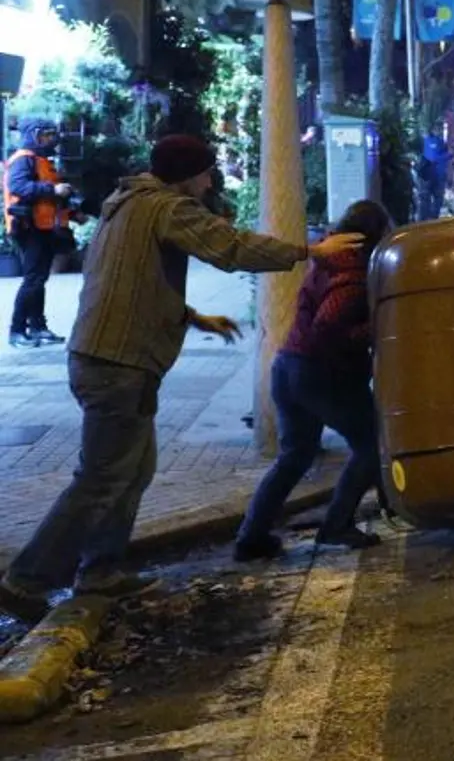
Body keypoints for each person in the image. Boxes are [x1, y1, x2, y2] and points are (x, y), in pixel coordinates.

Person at [0, 135, 363, 625]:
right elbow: (228, 245)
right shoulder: (166, 207)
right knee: (103, 479)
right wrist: (310, 249)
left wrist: (192, 317)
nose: (210, 181)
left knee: (132, 469)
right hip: (118, 364)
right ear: (187, 174)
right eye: (206, 173)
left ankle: (100, 571)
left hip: (111, 358)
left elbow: (132, 283)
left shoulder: (127, 204)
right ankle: (26, 580)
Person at [235, 200, 392, 560]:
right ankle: (337, 525)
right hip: (321, 373)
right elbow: (328, 325)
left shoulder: (326, 261)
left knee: (296, 455)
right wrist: (377, 328)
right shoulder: (352, 272)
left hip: (289, 366)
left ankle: (251, 537)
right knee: (371, 443)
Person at [5, 120, 80, 348]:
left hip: (43, 226)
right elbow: (18, 187)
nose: (51, 139)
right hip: (28, 228)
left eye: (52, 134)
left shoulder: (40, 160)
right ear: (34, 135)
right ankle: (17, 331)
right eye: (47, 135)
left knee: (39, 280)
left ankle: (38, 327)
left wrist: (72, 209)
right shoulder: (23, 158)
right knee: (33, 280)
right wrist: (52, 190)